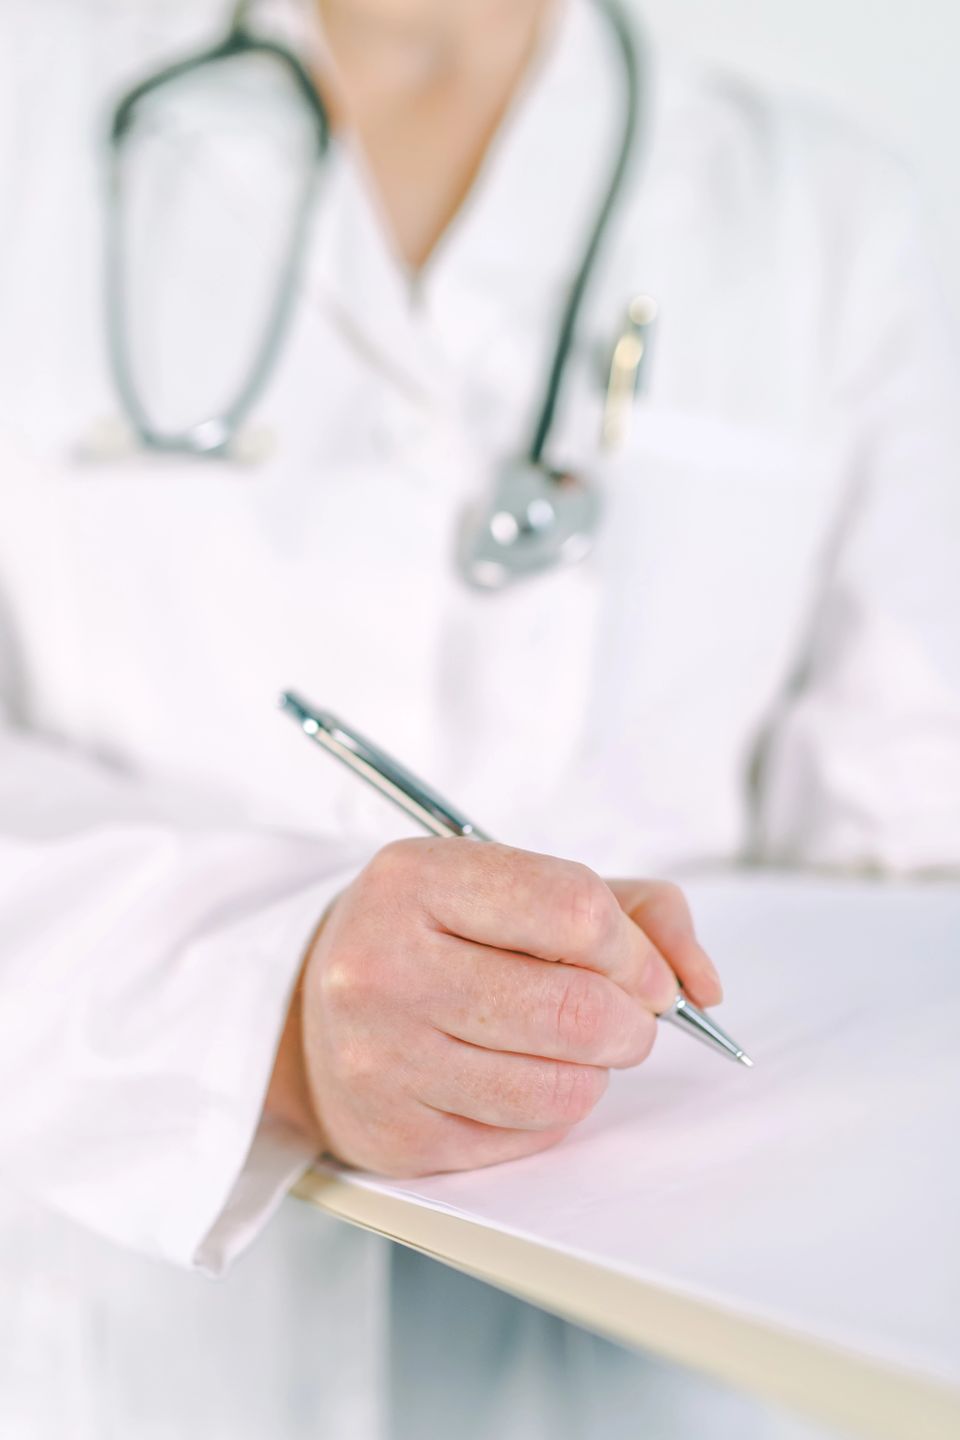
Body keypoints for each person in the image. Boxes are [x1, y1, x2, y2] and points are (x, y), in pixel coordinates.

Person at [0, 0, 958, 1436]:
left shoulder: (843, 225)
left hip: (667, 1370)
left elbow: (912, 868)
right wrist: (255, 1003)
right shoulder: (33, 122)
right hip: (120, 1347)